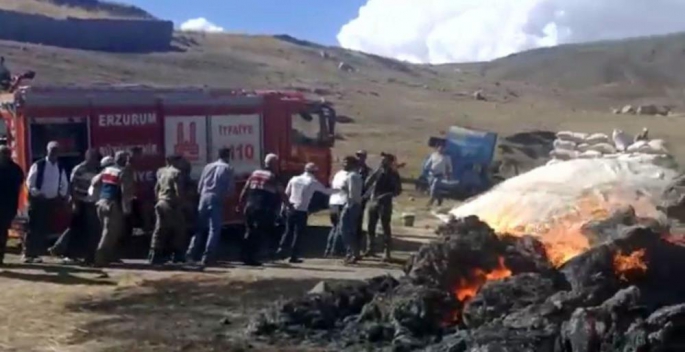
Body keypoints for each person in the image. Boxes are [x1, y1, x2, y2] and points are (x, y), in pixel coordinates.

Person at [49, 149, 102, 264]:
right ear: (87, 157)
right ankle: (68, 253)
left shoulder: (98, 169)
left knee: (87, 229)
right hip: (80, 201)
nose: (94, 160)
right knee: (76, 228)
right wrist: (74, 202)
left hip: (92, 202)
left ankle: (62, 249)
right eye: (92, 157)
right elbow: (72, 186)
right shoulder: (79, 169)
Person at [238, 153, 290, 266]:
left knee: (249, 230)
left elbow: (245, 189)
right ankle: (251, 257)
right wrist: (289, 206)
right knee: (258, 232)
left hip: (250, 206)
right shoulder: (273, 177)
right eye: (276, 163)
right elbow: (282, 194)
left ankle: (243, 254)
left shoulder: (255, 173)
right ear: (273, 164)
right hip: (262, 208)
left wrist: (240, 203)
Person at [186, 148, 234, 267]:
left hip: (204, 197)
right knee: (214, 229)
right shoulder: (228, 168)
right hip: (216, 198)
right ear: (228, 156)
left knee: (199, 227)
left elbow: (200, 186)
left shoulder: (208, 167)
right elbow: (230, 189)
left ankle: (190, 253)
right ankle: (208, 256)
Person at [276, 163, 332, 263]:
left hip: (291, 208)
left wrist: (283, 208)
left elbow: (286, 194)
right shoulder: (313, 182)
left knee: (288, 230)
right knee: (298, 234)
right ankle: (294, 256)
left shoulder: (294, 179)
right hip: (301, 210)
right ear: (314, 172)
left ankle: (281, 250)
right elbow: (326, 191)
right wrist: (340, 191)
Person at [25, 141, 69, 263]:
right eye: (52, 150)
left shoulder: (59, 167)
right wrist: (38, 194)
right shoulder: (38, 165)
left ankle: (37, 253)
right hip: (38, 201)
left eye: (56, 150)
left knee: (43, 228)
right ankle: (28, 253)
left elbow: (64, 183)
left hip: (51, 201)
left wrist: (61, 195)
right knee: (33, 227)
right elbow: (30, 183)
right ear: (47, 150)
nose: (54, 152)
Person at [90, 151, 132, 267]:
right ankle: (99, 259)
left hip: (101, 203)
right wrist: (126, 208)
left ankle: (110, 256)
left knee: (109, 231)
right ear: (123, 160)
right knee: (109, 233)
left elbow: (94, 182)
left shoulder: (106, 170)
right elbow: (125, 192)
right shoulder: (122, 172)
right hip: (112, 205)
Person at [148, 155, 187, 265]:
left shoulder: (160, 172)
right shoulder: (177, 173)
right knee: (178, 230)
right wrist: (181, 203)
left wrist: (158, 199)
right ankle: (177, 255)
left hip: (161, 202)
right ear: (175, 161)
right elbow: (178, 190)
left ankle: (154, 255)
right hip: (171, 203)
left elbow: (156, 188)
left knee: (159, 230)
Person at [364, 153, 402, 261]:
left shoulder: (393, 174)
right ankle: (370, 248)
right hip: (373, 201)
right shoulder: (377, 172)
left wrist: (387, 195)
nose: (382, 162)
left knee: (385, 227)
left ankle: (387, 252)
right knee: (371, 225)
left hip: (385, 203)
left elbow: (398, 190)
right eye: (381, 160)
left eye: (385, 160)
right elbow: (367, 183)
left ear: (390, 162)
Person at [0, 145, 24, 265]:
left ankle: (1, 257)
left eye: (6, 153)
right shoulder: (16, 169)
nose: (4, 156)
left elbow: (20, 186)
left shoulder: (16, 169)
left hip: (8, 206)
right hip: (9, 205)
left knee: (3, 232)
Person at [337, 156, 363, 264]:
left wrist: (350, 204)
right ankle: (353, 253)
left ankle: (351, 254)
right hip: (353, 204)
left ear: (352, 164)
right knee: (349, 230)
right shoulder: (355, 175)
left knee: (346, 230)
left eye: (346, 163)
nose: (344, 165)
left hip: (351, 205)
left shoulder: (352, 176)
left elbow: (353, 193)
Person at [324, 160, 349, 258]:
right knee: (341, 227)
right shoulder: (349, 175)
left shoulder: (338, 174)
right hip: (341, 201)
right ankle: (335, 250)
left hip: (333, 201)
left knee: (334, 227)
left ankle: (328, 249)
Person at [426, 142, 453, 207]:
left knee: (434, 188)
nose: (441, 149)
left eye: (442, 148)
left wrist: (449, 175)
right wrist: (429, 169)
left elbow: (449, 167)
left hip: (440, 175)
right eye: (440, 148)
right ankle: (440, 198)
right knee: (434, 189)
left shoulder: (446, 157)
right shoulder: (433, 155)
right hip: (431, 175)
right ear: (437, 148)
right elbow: (428, 164)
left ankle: (430, 202)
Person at [355, 150, 372, 254]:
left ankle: (358, 245)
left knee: (358, 222)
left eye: (362, 156)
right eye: (358, 156)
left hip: (361, 199)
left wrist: (364, 197)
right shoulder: (352, 169)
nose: (360, 158)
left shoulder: (367, 171)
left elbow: (370, 186)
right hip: (350, 198)